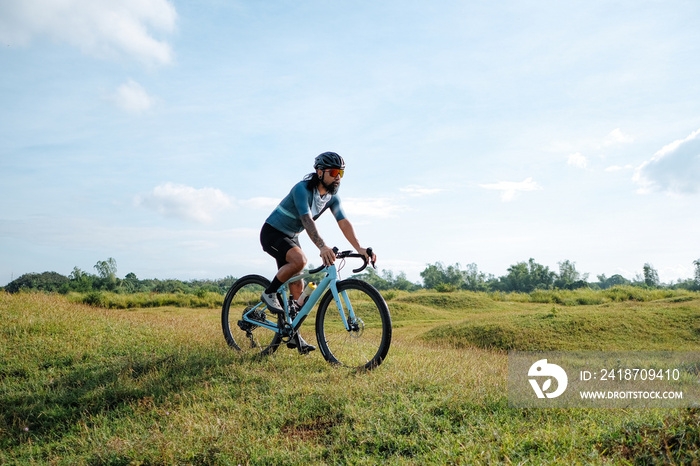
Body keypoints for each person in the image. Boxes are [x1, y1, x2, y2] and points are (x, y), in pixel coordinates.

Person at [259, 151, 376, 353]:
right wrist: (322, 246)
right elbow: (307, 220)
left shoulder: (332, 198)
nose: (338, 177)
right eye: (333, 172)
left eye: (341, 173)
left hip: (291, 236)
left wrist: (360, 248)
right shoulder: (302, 189)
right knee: (300, 260)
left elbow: (344, 222)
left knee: (299, 292)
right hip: (272, 232)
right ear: (320, 172)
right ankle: (269, 293)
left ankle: (293, 335)